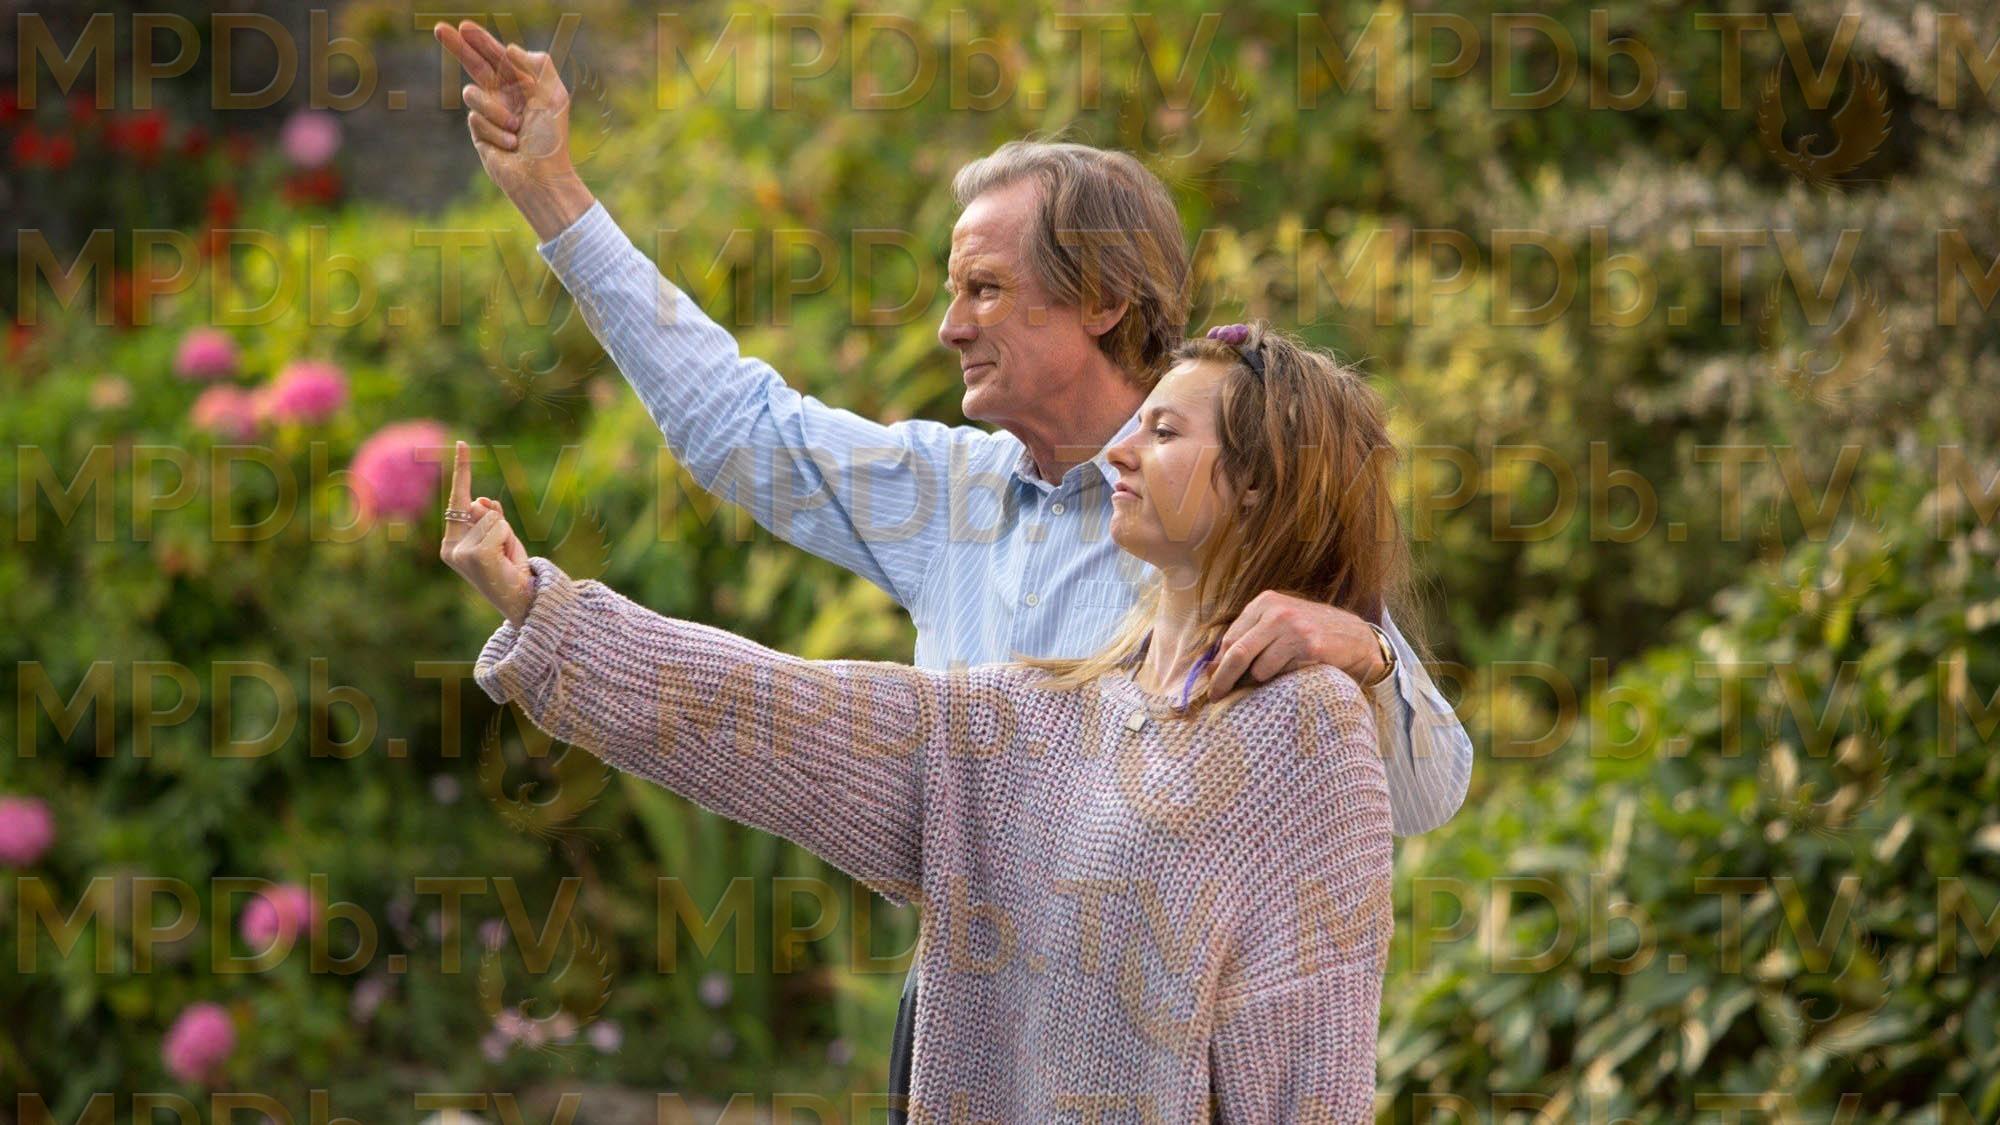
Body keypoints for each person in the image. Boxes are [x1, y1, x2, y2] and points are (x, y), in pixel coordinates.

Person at [434, 19, 1473, 1113]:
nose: (947, 327)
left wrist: (1363, 654)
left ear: (1102, 299)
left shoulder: (1238, 516)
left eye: (983, 288)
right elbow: (739, 436)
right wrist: (553, 194)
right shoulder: (952, 497)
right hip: (965, 1019)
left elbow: (1411, 797)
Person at [443, 320, 1407, 1118]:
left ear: (1257, 481)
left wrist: (1370, 649)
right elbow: (781, 715)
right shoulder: (1038, 716)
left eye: (1163, 432)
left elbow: (1313, 1075)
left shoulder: (1306, 728)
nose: (1120, 449)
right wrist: (539, 608)